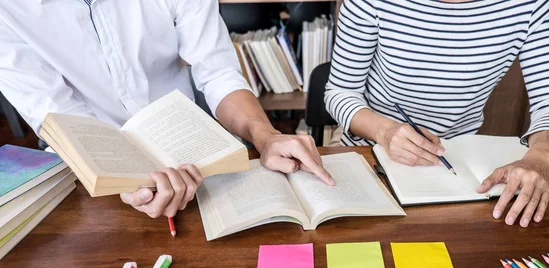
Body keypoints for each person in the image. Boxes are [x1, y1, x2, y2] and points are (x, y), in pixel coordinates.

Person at [0, 0, 334, 219]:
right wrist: (126, 179)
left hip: (184, 147)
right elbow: (54, 111)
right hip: (85, 165)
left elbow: (216, 71)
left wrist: (266, 135)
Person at [325, 0, 549, 228]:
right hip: (368, 152)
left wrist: (542, 157)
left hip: (456, 160)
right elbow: (339, 91)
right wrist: (385, 132)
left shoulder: (533, 4)